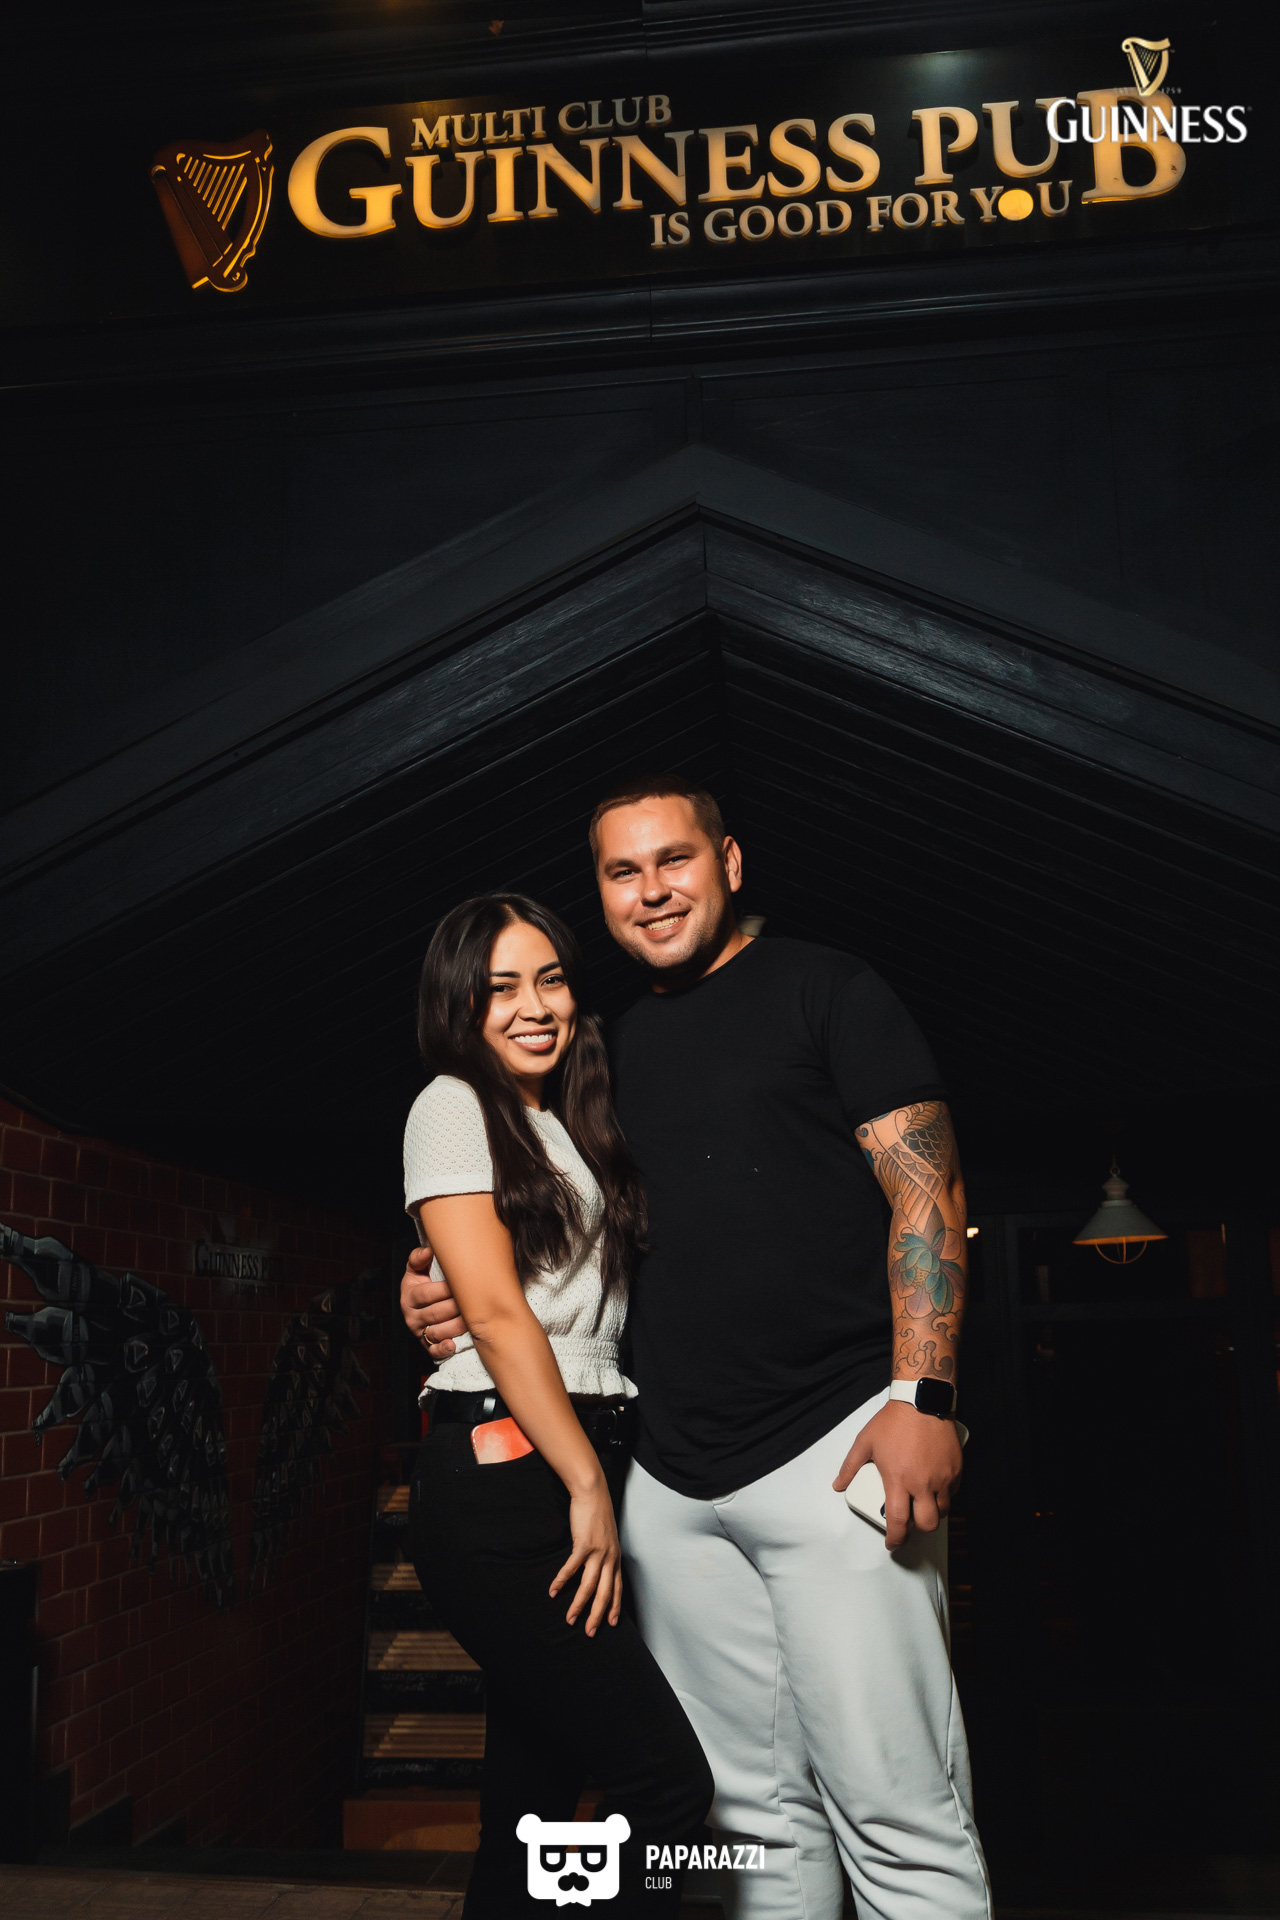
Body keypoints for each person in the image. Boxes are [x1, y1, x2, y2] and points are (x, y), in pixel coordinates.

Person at [404, 785, 993, 1920]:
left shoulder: (828, 988)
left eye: (673, 860)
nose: (653, 891)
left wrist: (923, 1393)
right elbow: (533, 1224)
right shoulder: (601, 1050)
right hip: (665, 1484)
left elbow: (929, 1192)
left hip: (836, 1448)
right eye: (622, 873)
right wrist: (429, 1280)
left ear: (728, 861)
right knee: (742, 1823)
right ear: (601, 896)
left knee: (896, 1808)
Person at [401, 891, 712, 1918]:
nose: (533, 1006)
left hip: (575, 1452)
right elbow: (496, 1315)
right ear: (458, 1004)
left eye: (550, 980)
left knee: (528, 1805)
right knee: (667, 1787)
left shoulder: (563, 1117)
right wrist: (584, 1482)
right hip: (513, 1477)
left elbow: (537, 1286)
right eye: (500, 988)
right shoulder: (452, 1102)